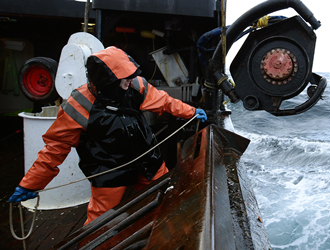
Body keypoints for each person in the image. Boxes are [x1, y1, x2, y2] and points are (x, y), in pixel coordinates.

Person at [8, 46, 208, 225]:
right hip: (108, 170)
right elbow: (54, 150)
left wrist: (190, 112)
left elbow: (163, 102)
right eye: (124, 79)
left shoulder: (136, 85)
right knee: (100, 223)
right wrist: (31, 184)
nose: (130, 81)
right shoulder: (77, 105)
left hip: (147, 159)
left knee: (164, 200)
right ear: (106, 81)